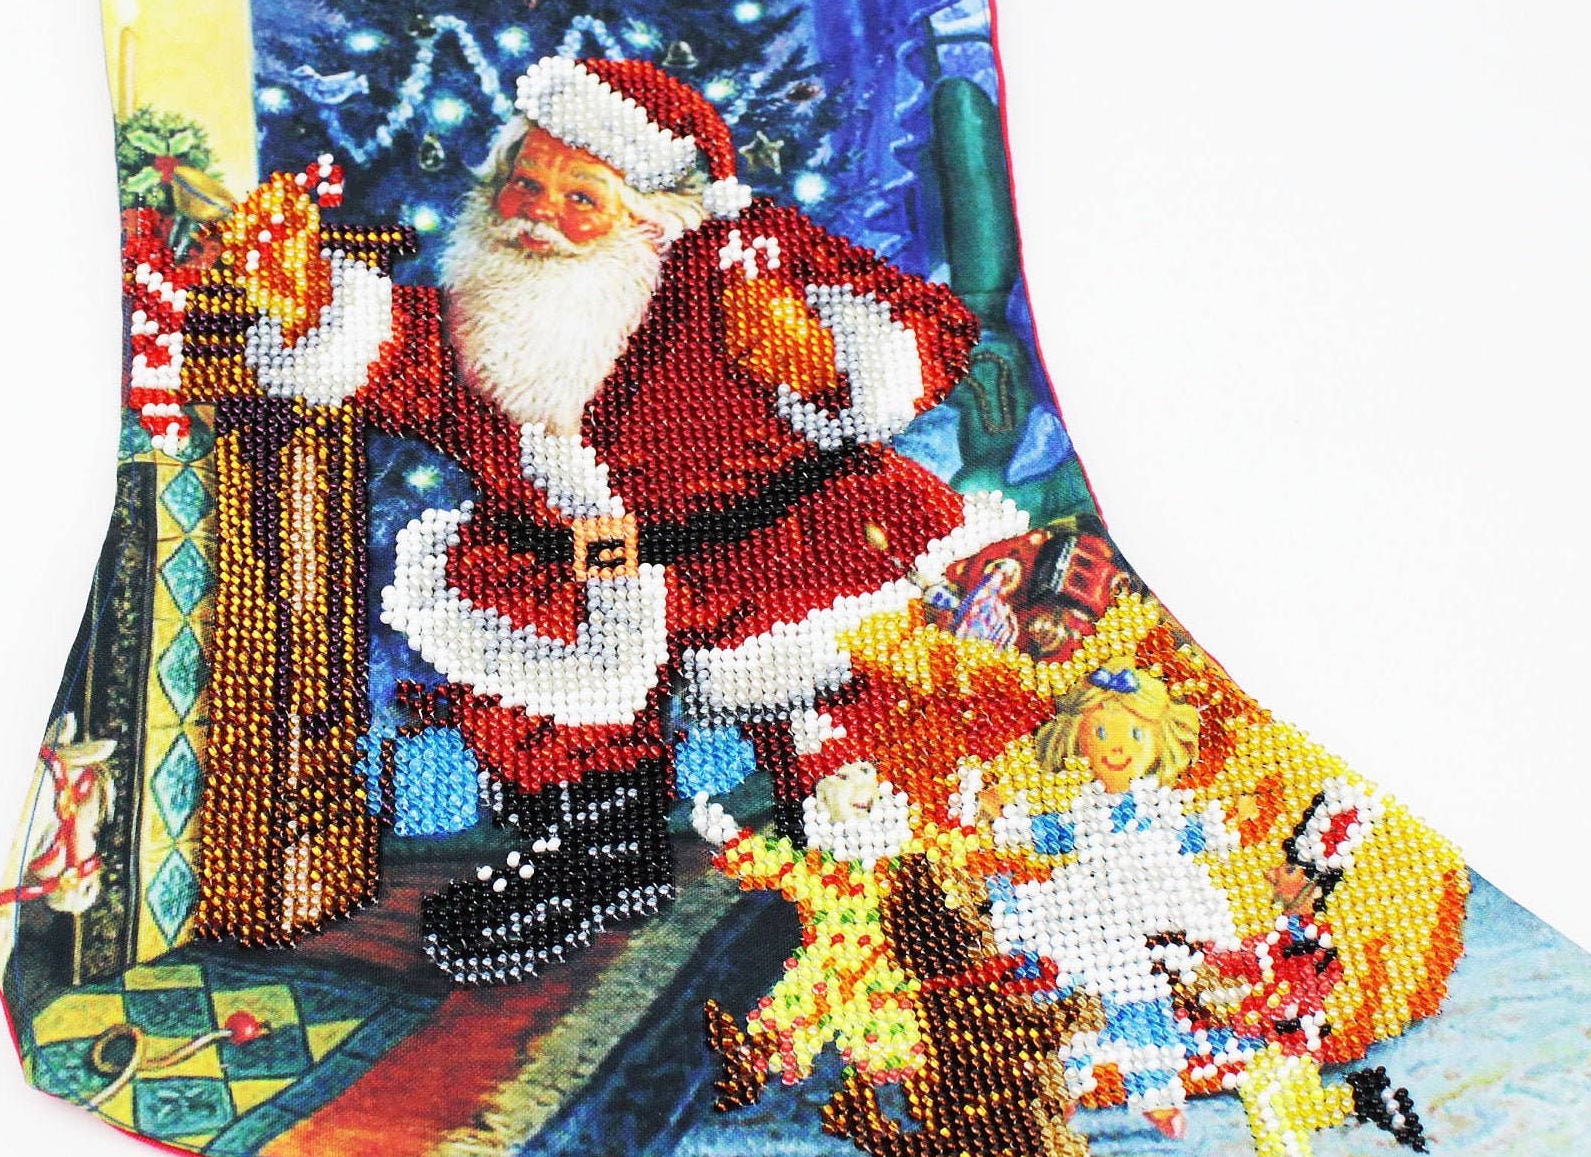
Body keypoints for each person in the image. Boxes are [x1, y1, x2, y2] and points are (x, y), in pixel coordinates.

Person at [232, 56, 1013, 982]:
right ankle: (596, 849)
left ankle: (900, 869)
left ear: (652, 213)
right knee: (524, 660)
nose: (536, 215)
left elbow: (923, 328)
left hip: (771, 543)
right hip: (574, 562)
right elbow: (400, 355)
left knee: (842, 713)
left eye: (579, 198)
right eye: (523, 183)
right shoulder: (481, 305)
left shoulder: (739, 256)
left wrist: (818, 358)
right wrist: (312, 306)